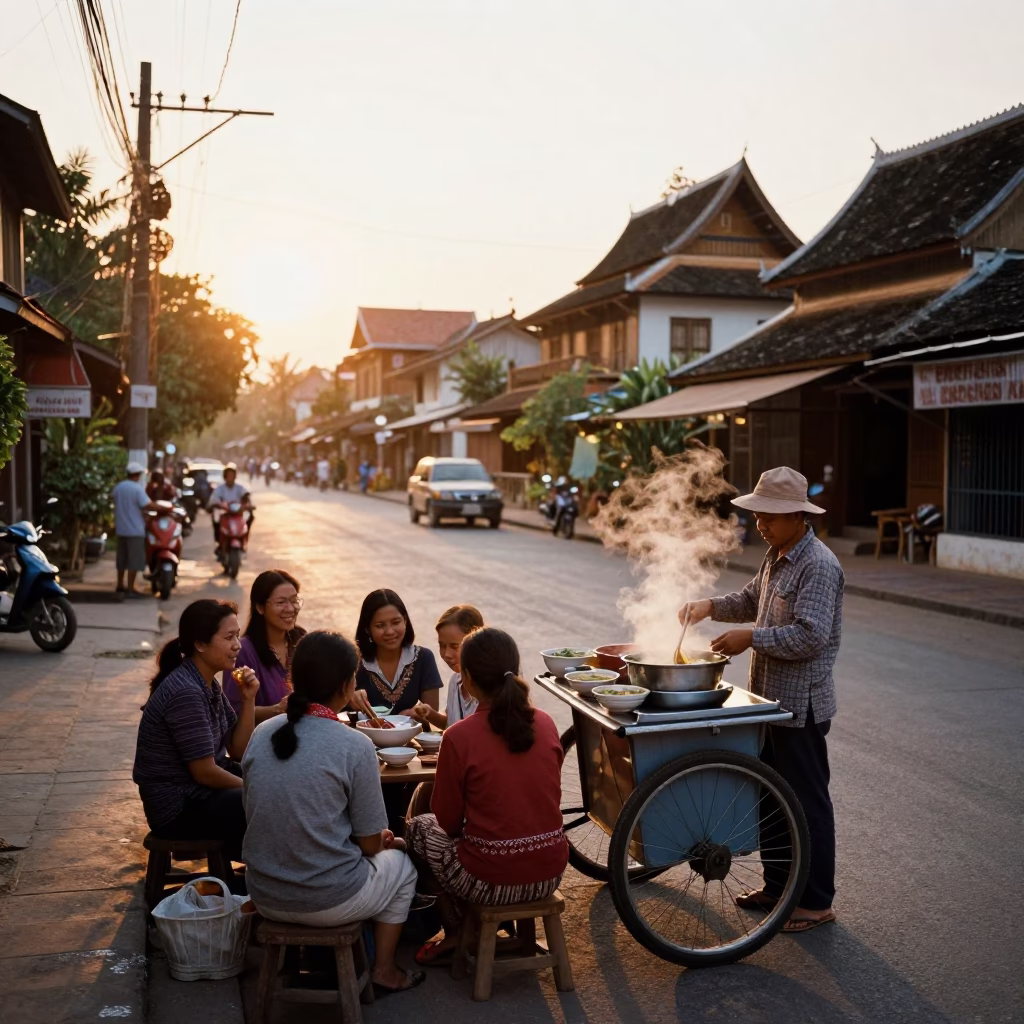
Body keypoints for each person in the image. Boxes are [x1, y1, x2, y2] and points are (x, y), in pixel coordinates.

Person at [678, 466, 843, 934]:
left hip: (801, 706)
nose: (760, 524)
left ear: (796, 515)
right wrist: (709, 606)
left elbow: (810, 637)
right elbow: (752, 599)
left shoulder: (819, 564)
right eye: (758, 516)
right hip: (769, 701)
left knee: (806, 802)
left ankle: (814, 902)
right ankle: (779, 886)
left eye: (769, 516)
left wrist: (751, 637)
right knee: (772, 798)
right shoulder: (778, 554)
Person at [241, 631, 425, 995]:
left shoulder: (262, 733)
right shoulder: (354, 744)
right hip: (328, 900)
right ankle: (384, 970)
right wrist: (384, 840)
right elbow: (371, 844)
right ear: (345, 685)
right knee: (403, 868)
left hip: (264, 893)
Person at [405, 627, 568, 966]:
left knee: (419, 829)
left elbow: (448, 823)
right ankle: (478, 928)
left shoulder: (459, 736)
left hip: (490, 881)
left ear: (466, 678)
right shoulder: (547, 723)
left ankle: (457, 930)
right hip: (549, 872)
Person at [132, 600, 258, 861]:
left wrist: (248, 699)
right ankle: (274, 878)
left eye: (237, 635)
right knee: (264, 801)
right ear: (200, 644)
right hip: (176, 808)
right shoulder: (186, 691)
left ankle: (267, 873)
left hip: (201, 793)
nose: (238, 645)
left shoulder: (206, 682)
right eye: (228, 637)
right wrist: (253, 790)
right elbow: (204, 772)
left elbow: (237, 749)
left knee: (268, 776)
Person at [224, 569, 306, 723]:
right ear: (260, 608)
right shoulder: (243, 652)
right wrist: (277, 709)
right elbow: (231, 712)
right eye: (281, 603)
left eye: (294, 600)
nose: (290, 608)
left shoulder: (302, 640)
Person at [350, 589, 442, 718]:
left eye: (396, 622)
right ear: (367, 629)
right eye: (380, 625)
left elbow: (432, 718)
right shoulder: (353, 661)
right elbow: (334, 713)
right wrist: (349, 697)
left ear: (405, 621)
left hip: (409, 737)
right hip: (362, 737)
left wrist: (417, 714)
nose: (389, 631)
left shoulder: (423, 658)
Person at [409, 605, 484, 731]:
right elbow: (451, 726)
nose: (446, 654)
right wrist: (430, 714)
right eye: (442, 645)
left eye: (455, 646)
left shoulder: (489, 687)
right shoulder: (455, 682)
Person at [112, 462, 159, 598]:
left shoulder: (119, 487)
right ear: (137, 475)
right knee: (133, 560)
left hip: (121, 529)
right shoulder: (137, 489)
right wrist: (165, 508)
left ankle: (120, 585)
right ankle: (131, 588)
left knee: (122, 560)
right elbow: (148, 505)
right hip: (135, 530)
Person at [208, 463, 252, 550]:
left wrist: (248, 505)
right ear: (225, 476)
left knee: (250, 517)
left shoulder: (240, 487)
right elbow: (214, 499)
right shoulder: (220, 488)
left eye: (232, 475)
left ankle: (244, 539)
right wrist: (217, 504)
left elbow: (246, 497)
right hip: (225, 513)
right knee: (215, 519)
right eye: (228, 475)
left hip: (238, 513)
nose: (230, 477)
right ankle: (219, 540)